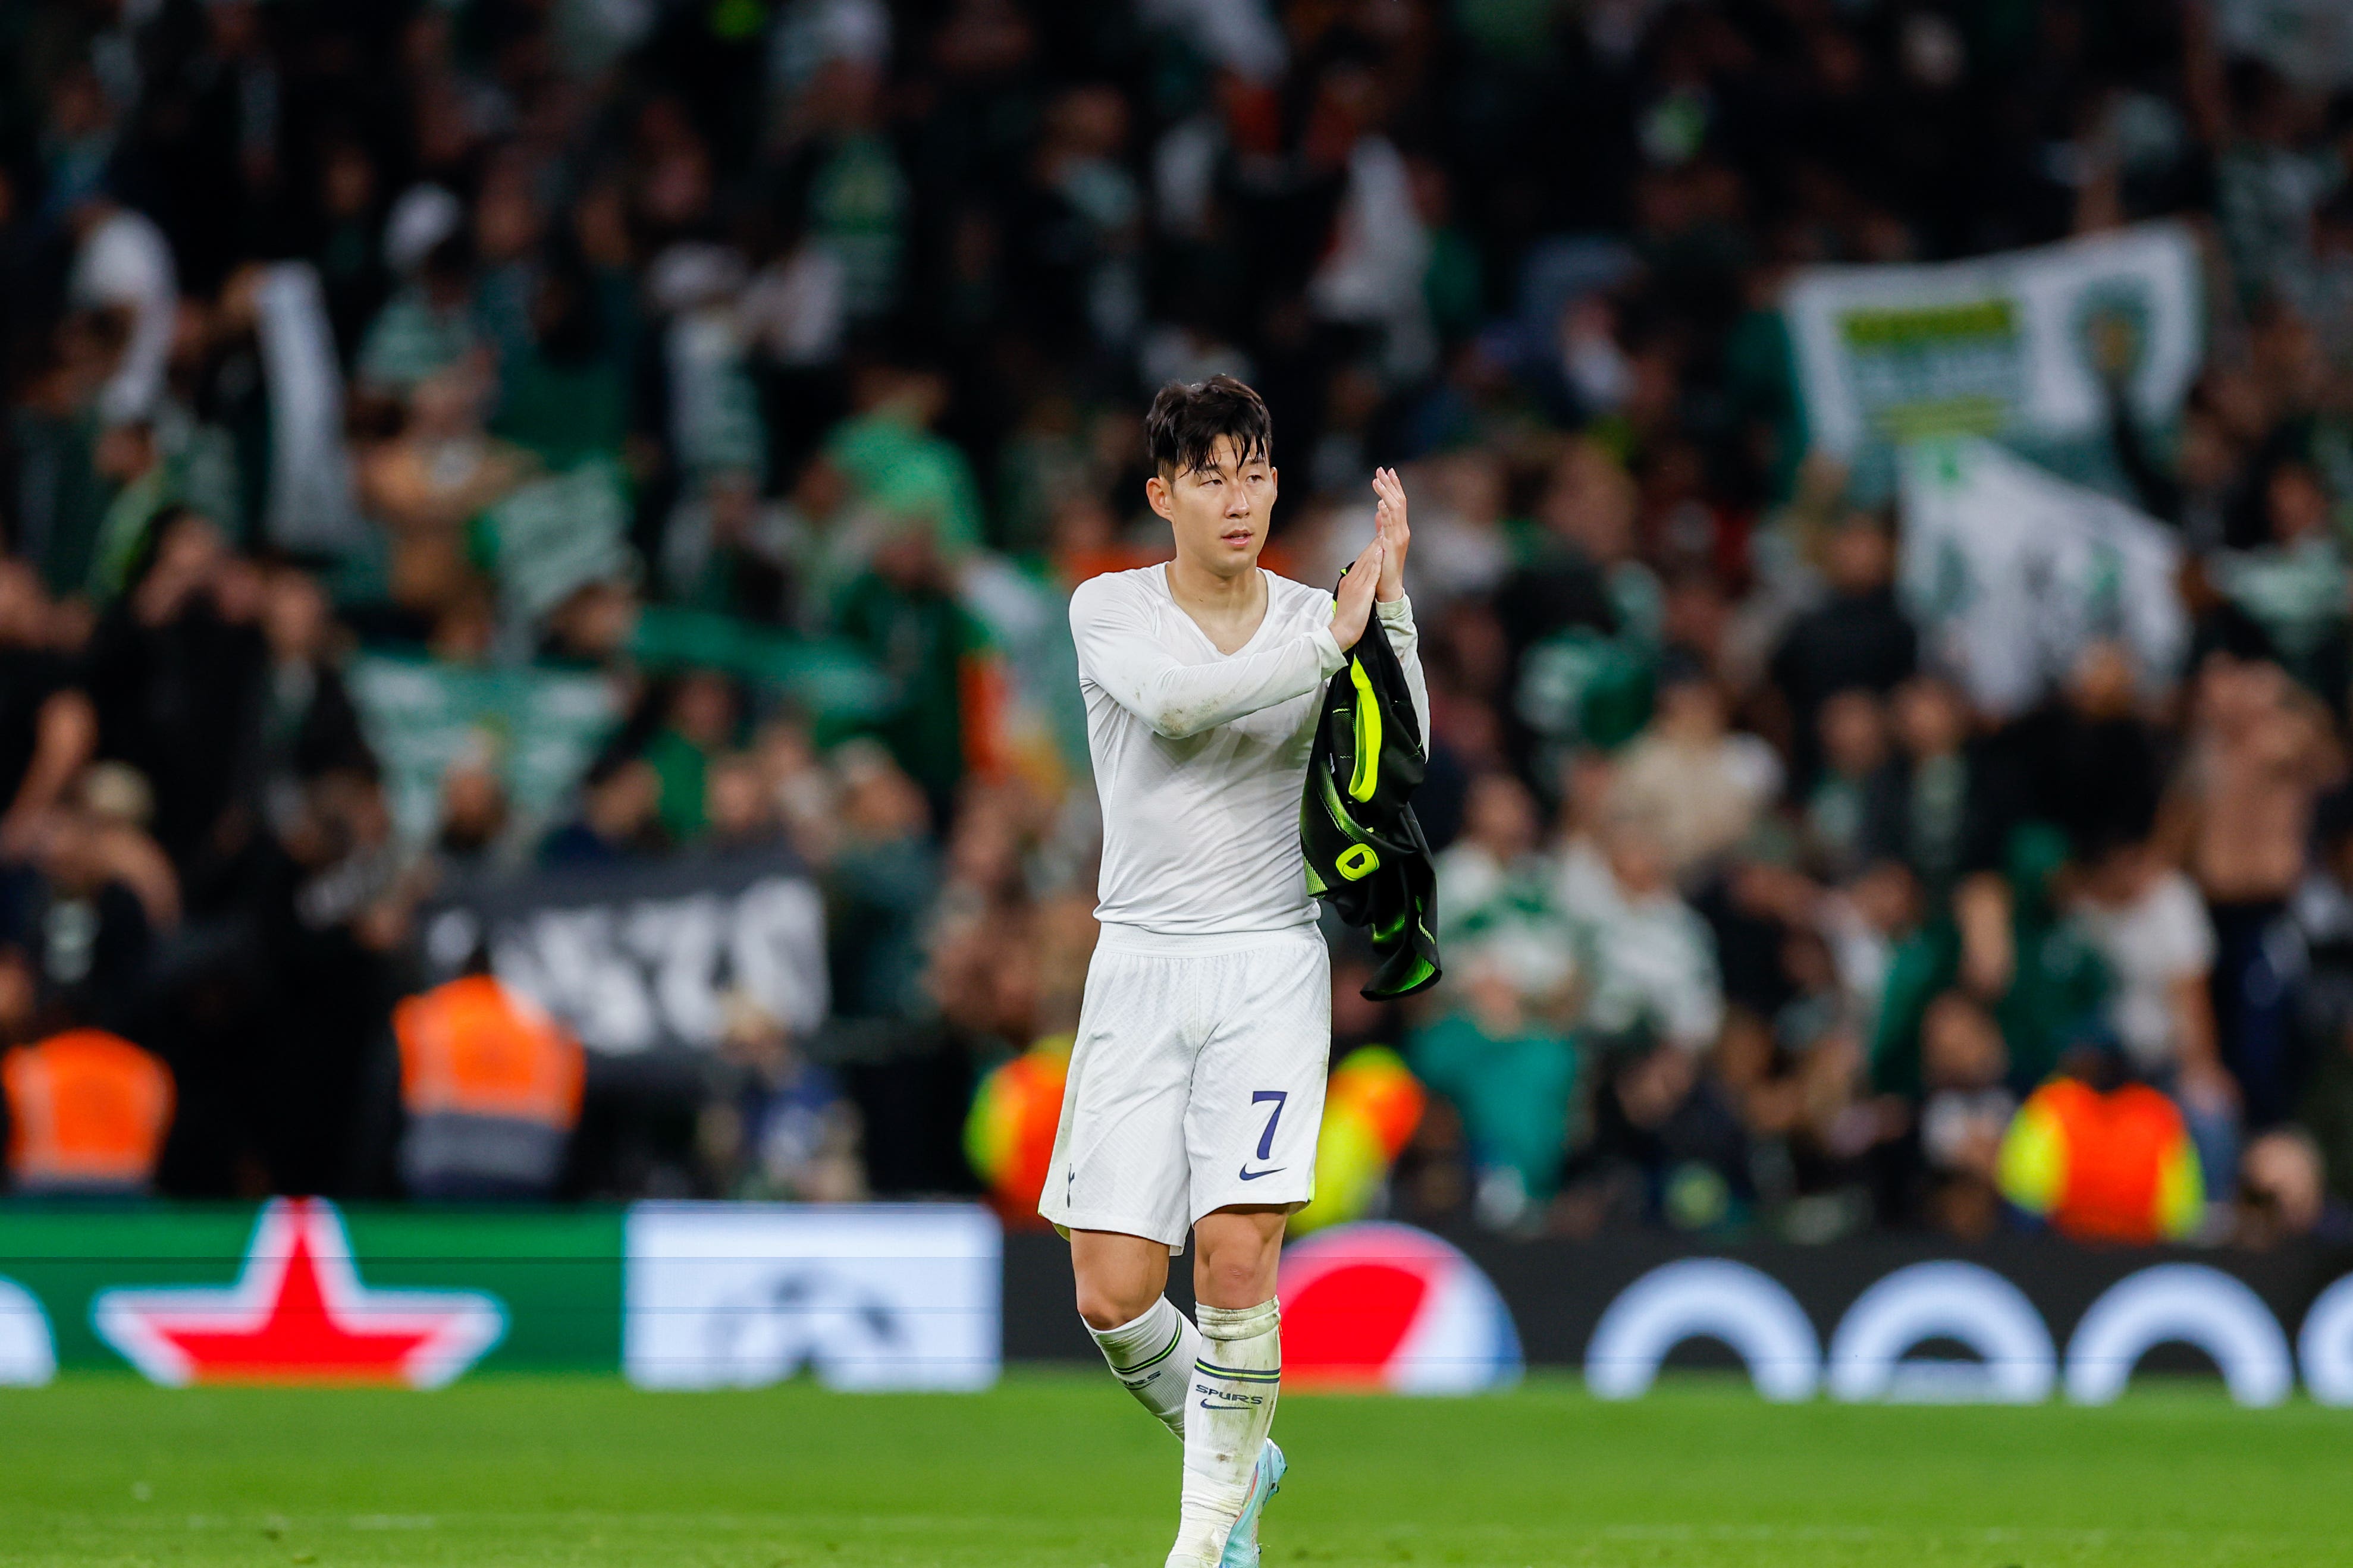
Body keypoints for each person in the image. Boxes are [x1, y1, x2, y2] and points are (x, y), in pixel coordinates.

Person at [1041, 376, 1421, 1568]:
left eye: (1254, 470)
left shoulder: (1325, 608)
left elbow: (1400, 743)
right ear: (1162, 493)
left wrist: (1392, 609)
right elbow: (1178, 709)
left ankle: (1206, 1541)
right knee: (1109, 1293)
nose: (1238, 496)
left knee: (1237, 1252)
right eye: (1209, 474)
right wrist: (1331, 639)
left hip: (1266, 957)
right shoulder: (1109, 610)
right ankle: (1238, 1449)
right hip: (1141, 959)